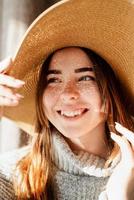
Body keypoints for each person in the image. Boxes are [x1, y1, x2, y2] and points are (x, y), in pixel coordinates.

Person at [0, 0, 134, 200]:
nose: (67, 93)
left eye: (85, 78)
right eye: (53, 79)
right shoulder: (12, 176)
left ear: (111, 92)